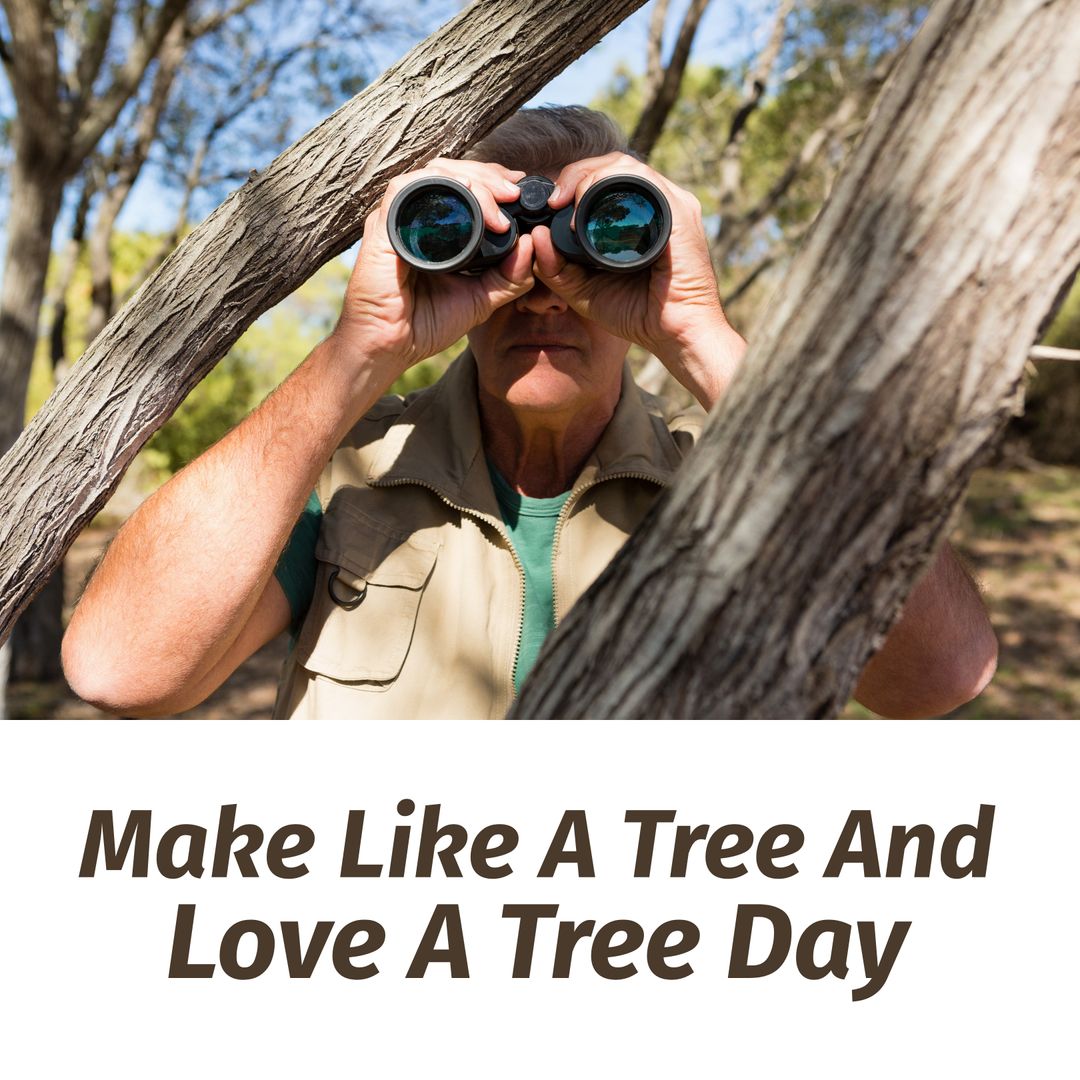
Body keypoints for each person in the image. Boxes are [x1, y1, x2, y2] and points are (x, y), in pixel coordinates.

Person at [61, 106, 997, 719]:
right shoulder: (348, 471)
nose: (545, 292)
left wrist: (704, 338)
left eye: (604, 246)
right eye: (489, 248)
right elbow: (118, 669)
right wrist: (359, 353)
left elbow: (939, 678)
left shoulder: (745, 474)